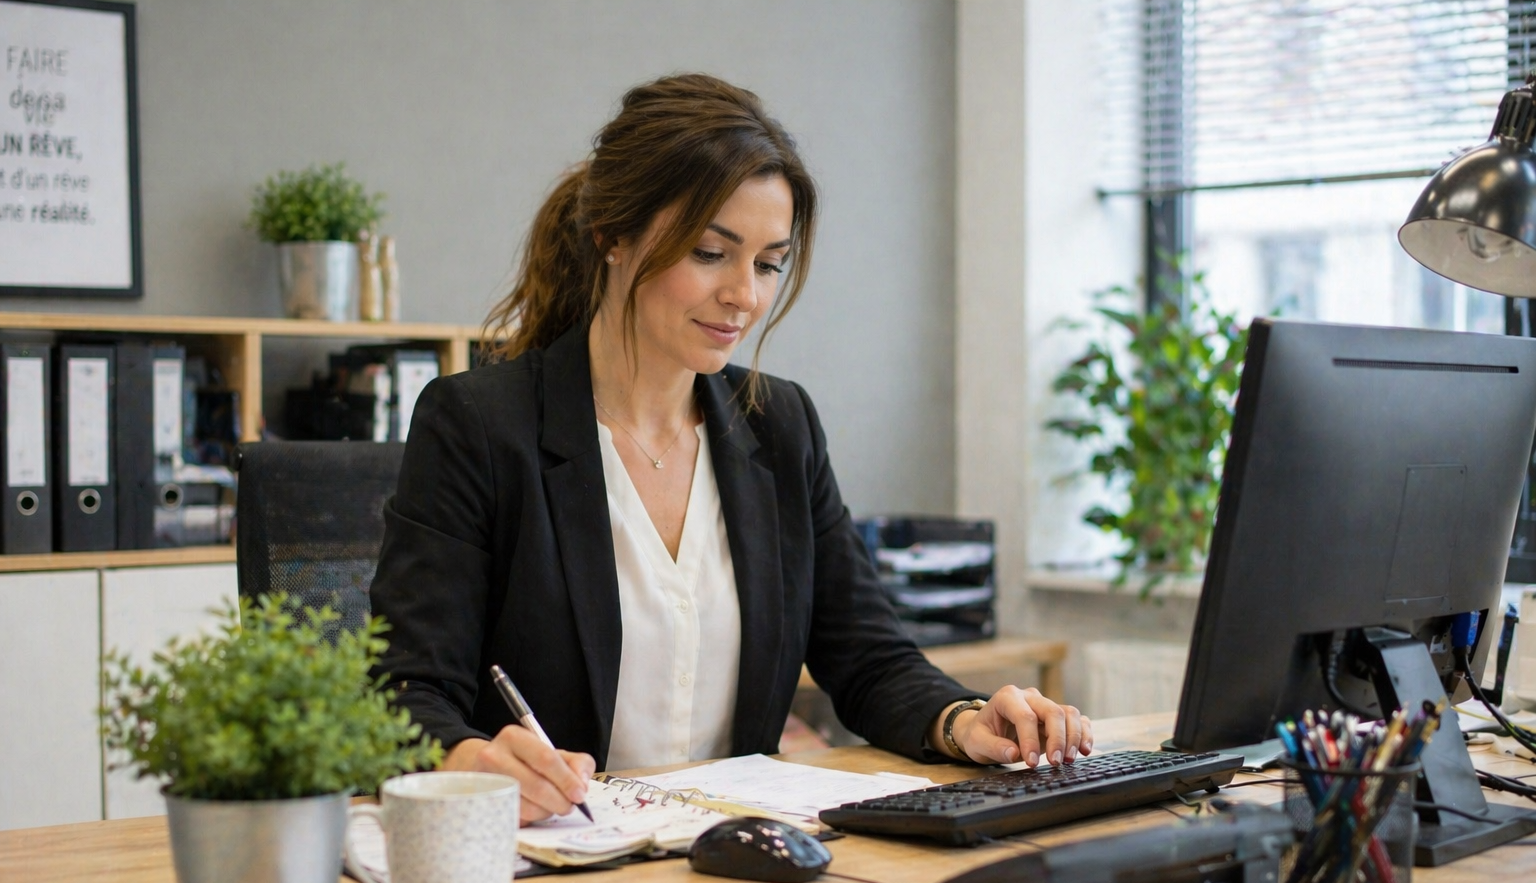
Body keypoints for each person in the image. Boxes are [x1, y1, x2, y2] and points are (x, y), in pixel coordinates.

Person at [370, 73, 1091, 825]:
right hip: (556, 860)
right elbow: (406, 689)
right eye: (712, 253)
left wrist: (964, 721)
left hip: (731, 856)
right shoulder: (480, 425)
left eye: (769, 262)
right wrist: (469, 759)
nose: (745, 295)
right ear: (611, 236)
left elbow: (869, 657)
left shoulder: (780, 425)